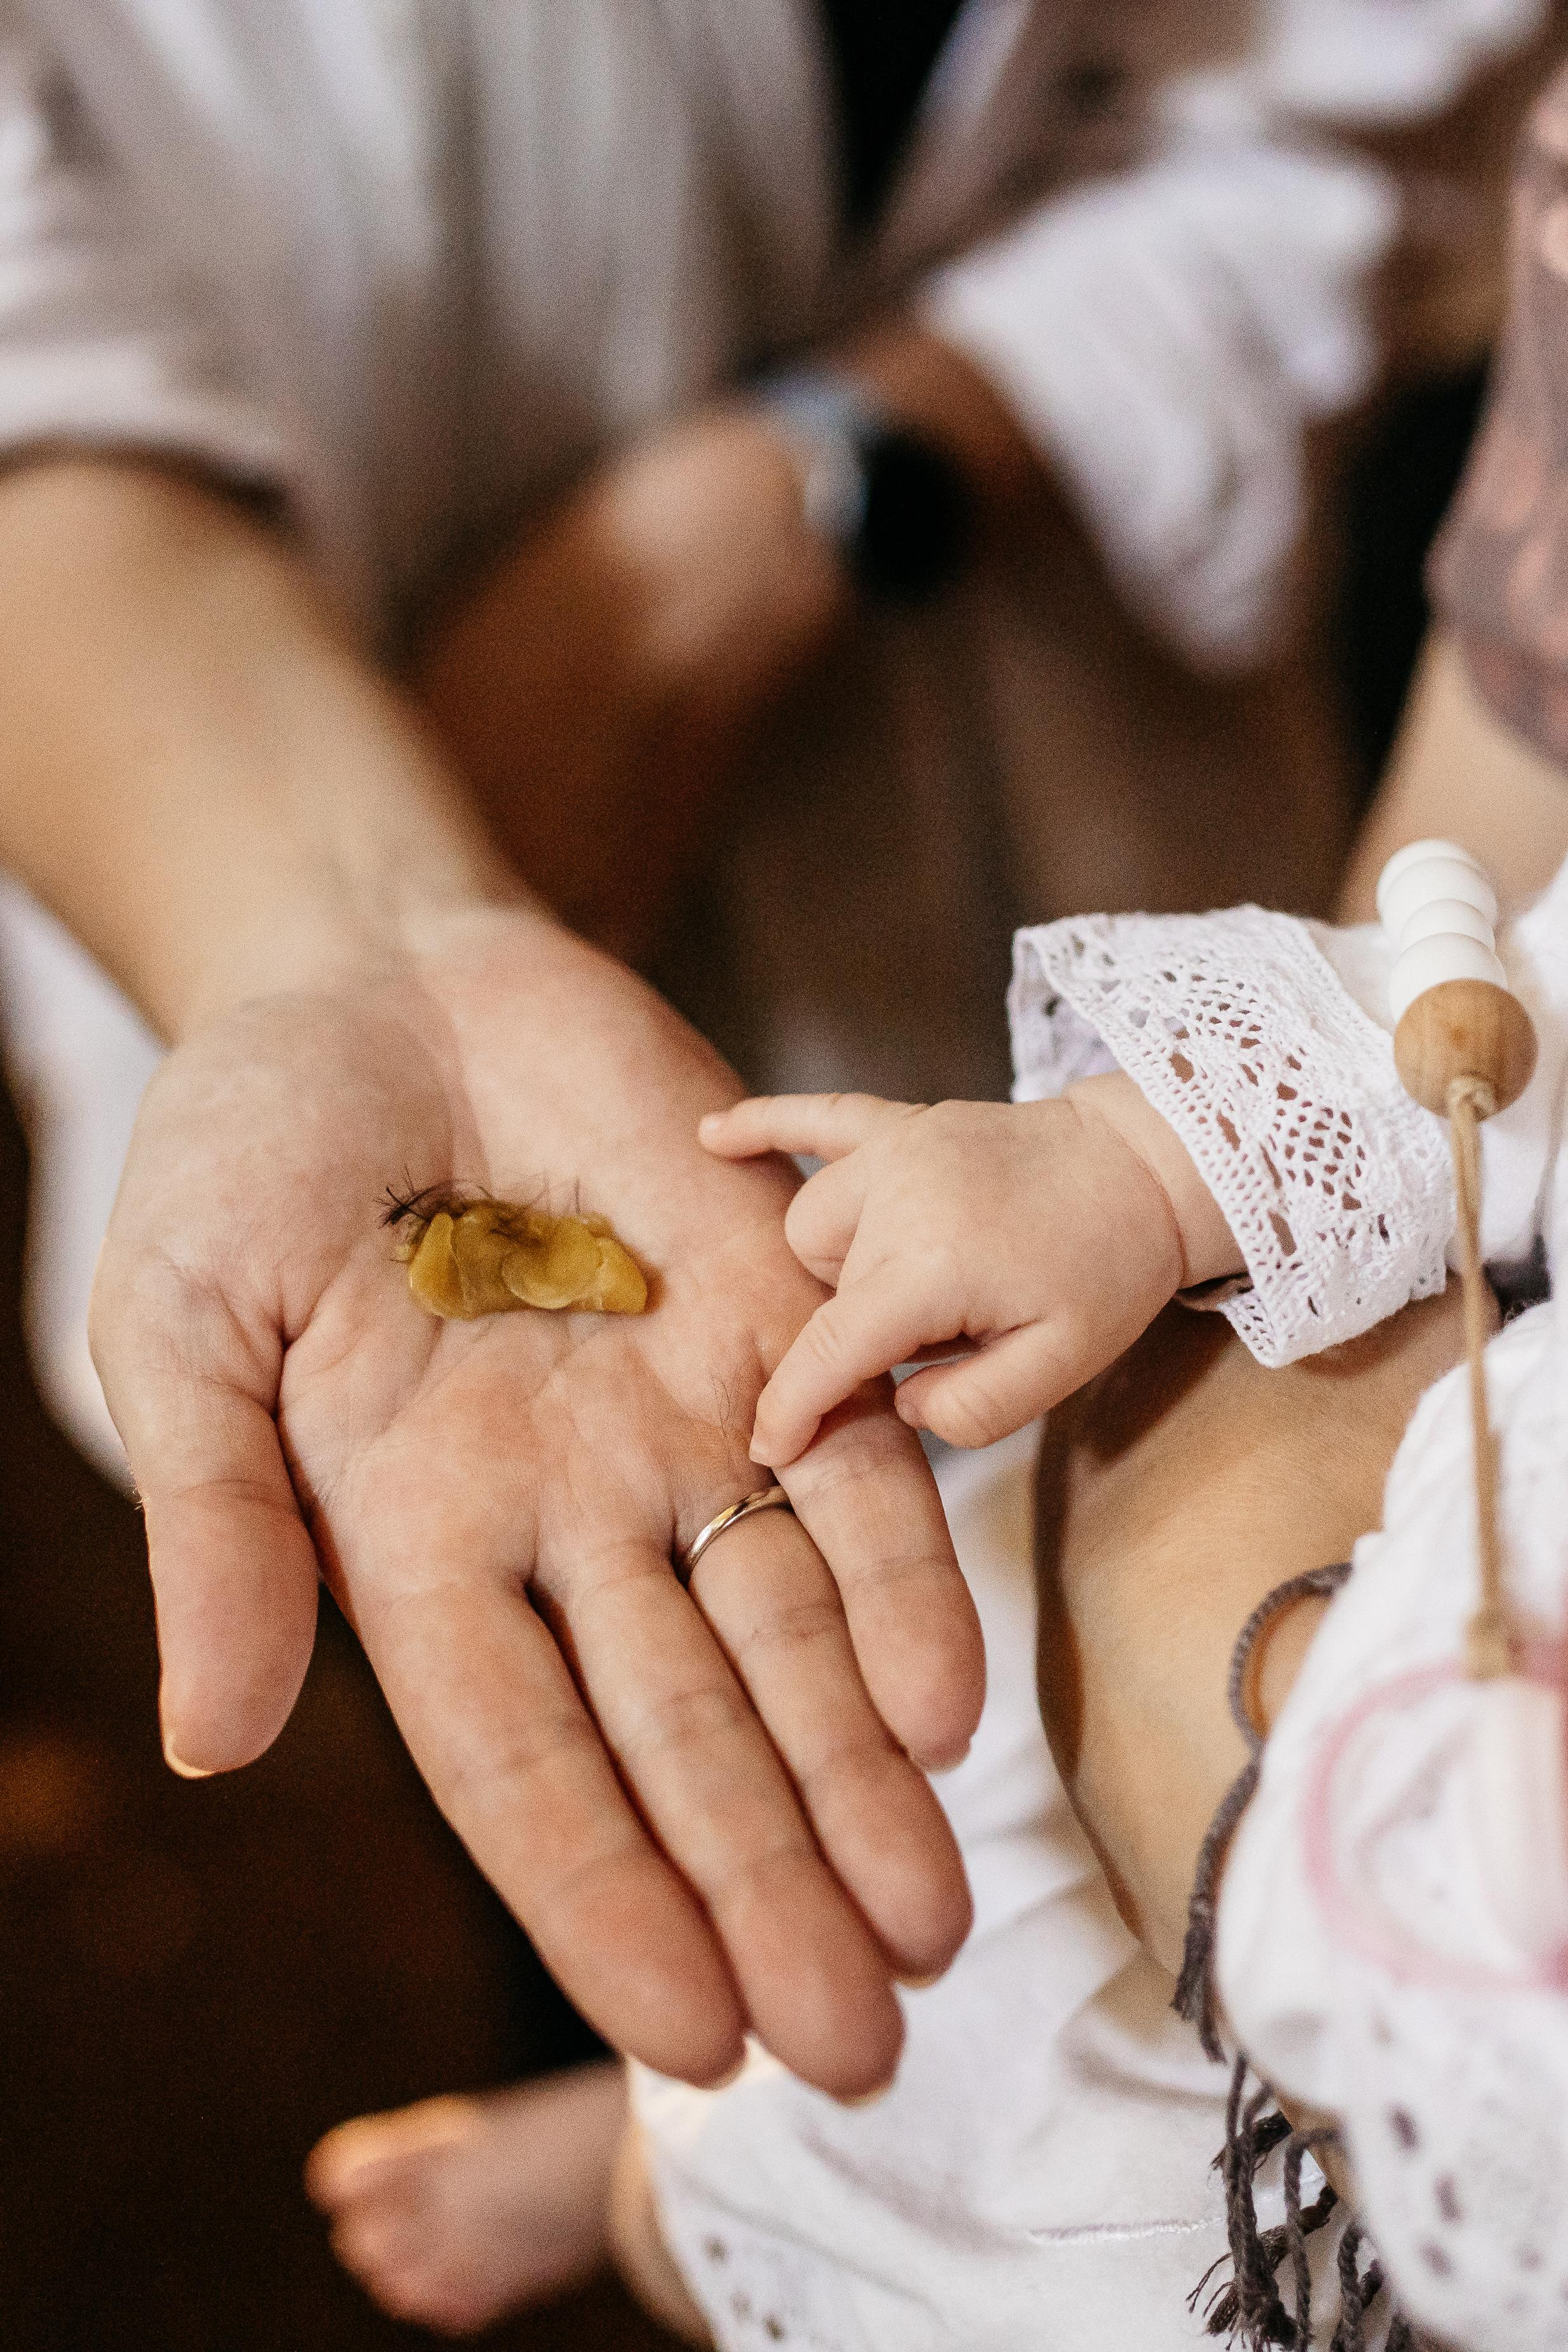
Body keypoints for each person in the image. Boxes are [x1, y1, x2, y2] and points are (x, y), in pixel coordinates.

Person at [0, 0, 1557, 2333]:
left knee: (869, 1784)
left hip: (1053, 873)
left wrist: (870, 452)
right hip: (535, 1022)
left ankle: (685, 2160)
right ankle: (671, 2154)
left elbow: (1376, 104)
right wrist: (342, 924)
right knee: (674, 1771)